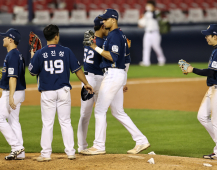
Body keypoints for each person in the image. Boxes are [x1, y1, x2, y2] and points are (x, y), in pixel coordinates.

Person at [81, 9, 150, 155]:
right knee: (118, 111)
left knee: (100, 110)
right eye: (103, 20)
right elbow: (125, 58)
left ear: (114, 20)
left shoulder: (114, 35)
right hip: (117, 74)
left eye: (106, 19)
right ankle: (141, 140)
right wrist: (123, 78)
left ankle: (99, 146)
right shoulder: (119, 35)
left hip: (113, 74)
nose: (104, 22)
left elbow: (112, 57)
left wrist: (95, 47)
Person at [28, 24, 93, 161]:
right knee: (65, 122)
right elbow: (77, 70)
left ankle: (46, 154)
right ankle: (70, 152)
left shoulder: (40, 53)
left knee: (47, 123)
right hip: (63, 91)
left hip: (47, 93)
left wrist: (33, 56)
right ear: (56, 36)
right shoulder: (66, 51)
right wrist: (86, 83)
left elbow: (32, 72)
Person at [184, 24, 217, 160]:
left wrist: (192, 69)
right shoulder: (216, 50)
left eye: (208, 35)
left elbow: (211, 72)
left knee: (216, 120)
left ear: (215, 36)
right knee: (202, 116)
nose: (206, 37)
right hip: (213, 88)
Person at [77, 16, 109, 153]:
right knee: (101, 113)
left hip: (87, 80)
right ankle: (99, 145)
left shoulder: (88, 40)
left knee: (84, 115)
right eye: (106, 26)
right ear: (102, 27)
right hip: (100, 80)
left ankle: (81, 147)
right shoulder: (103, 43)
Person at [0, 28, 26, 160]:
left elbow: (13, 77)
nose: (3, 38)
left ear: (11, 40)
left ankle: (16, 147)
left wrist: (10, 96)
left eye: (5, 37)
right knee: (14, 121)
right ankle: (20, 153)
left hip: (13, 92)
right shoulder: (17, 54)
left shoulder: (12, 55)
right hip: (18, 92)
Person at [138, 0, 166, 66]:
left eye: (149, 5)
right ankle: (146, 62)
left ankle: (162, 60)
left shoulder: (157, 12)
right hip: (147, 33)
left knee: (156, 47)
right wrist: (140, 21)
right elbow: (142, 24)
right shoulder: (146, 14)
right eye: (147, 5)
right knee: (146, 48)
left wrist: (150, 12)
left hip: (155, 33)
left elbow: (156, 17)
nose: (148, 7)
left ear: (153, 6)